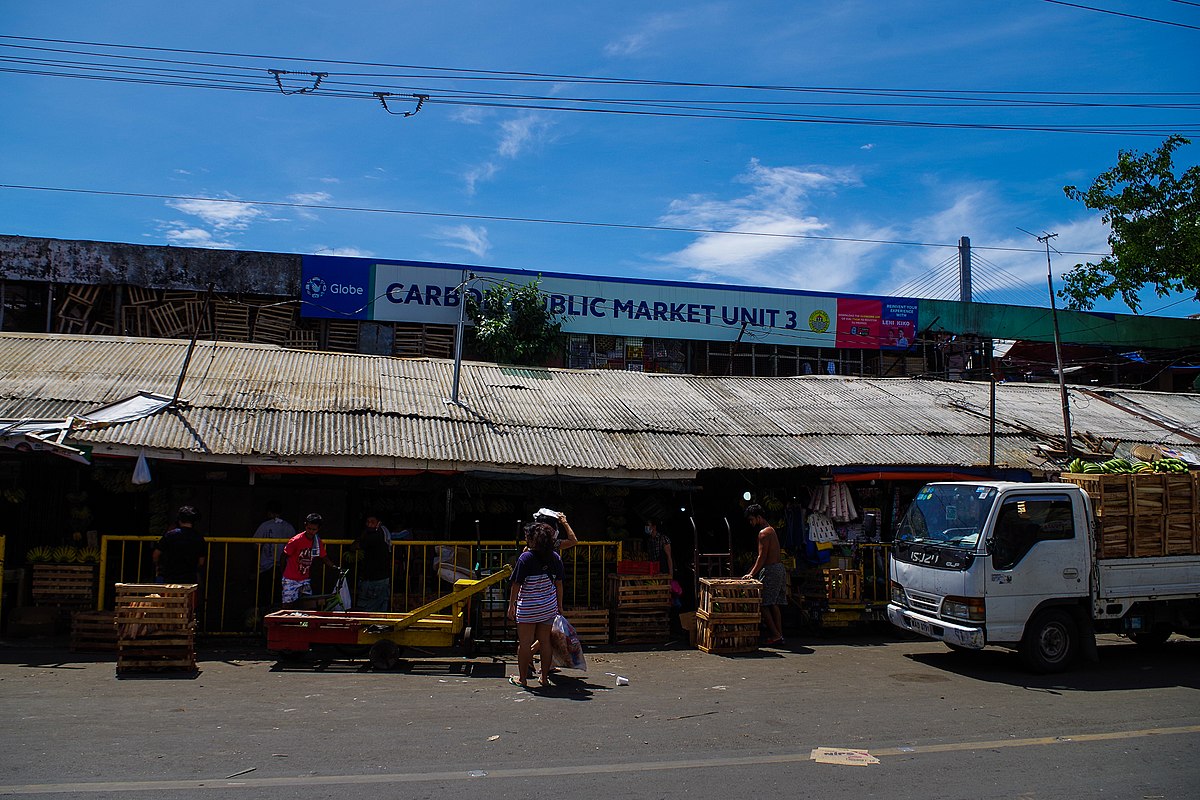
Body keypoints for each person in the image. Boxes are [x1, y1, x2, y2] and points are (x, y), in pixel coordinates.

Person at [507, 521, 564, 689]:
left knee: (524, 644)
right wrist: (559, 605)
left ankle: (522, 679)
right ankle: (544, 678)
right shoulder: (555, 557)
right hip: (548, 606)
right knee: (545, 642)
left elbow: (516, 584)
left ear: (533, 540)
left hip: (528, 608)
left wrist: (511, 605)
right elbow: (559, 584)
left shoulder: (525, 558)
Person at [743, 504, 786, 647]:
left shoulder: (763, 533)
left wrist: (751, 574)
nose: (751, 523)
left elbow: (762, 557)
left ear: (758, 517)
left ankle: (775, 634)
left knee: (764, 604)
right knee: (774, 603)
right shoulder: (772, 530)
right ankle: (779, 635)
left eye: (751, 519)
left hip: (771, 570)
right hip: (779, 568)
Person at [280, 513, 341, 609]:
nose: (311, 532)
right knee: (287, 606)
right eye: (309, 529)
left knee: (309, 606)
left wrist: (334, 567)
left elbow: (324, 557)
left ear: (318, 529)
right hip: (290, 579)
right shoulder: (296, 540)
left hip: (305, 579)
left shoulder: (317, 541)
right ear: (305, 526)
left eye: (314, 530)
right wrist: (283, 574)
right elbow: (284, 556)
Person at [152, 505, 206, 585]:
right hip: (190, 578)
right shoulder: (199, 537)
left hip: (170, 577)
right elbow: (201, 562)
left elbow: (156, 555)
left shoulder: (170, 535)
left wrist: (158, 566)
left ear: (179, 519)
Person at [349, 514, 392, 612]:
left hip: (374, 580)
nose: (369, 525)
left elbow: (354, 546)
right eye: (367, 522)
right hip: (381, 578)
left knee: (367, 611)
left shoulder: (374, 535)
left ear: (378, 523)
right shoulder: (384, 533)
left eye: (372, 522)